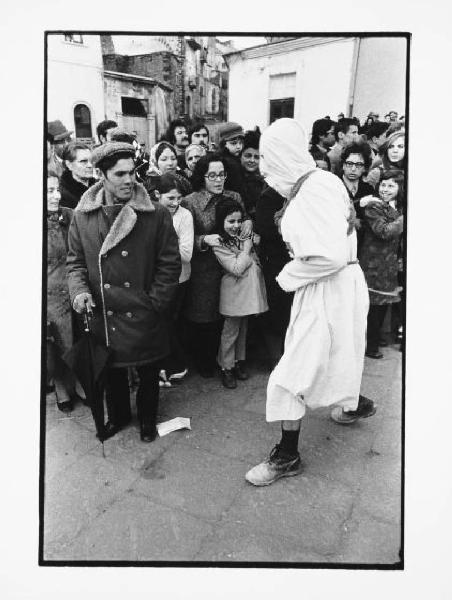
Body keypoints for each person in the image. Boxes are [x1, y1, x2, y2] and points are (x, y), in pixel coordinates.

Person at [245, 119, 375, 487]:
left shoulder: (310, 192)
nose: (267, 169)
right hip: (344, 284)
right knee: (341, 351)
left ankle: (287, 455)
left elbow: (327, 257)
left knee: (290, 373)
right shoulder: (323, 180)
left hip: (327, 286)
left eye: (269, 158)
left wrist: (286, 277)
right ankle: (354, 404)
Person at [66, 142, 181, 442]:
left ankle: (146, 420)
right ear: (100, 174)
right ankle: (118, 416)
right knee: (112, 372)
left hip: (143, 311)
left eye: (131, 172)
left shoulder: (155, 214)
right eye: (119, 174)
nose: (129, 180)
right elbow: (75, 263)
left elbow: (170, 265)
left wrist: (155, 302)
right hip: (105, 312)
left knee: (147, 373)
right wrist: (79, 293)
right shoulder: (82, 215)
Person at [182, 153, 252, 377]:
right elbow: (180, 239)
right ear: (202, 177)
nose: (218, 180)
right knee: (205, 317)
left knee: (233, 317)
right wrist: (203, 240)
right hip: (205, 269)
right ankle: (205, 361)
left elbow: (244, 217)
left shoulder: (234, 196)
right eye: (212, 175)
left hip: (233, 265)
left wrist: (249, 220)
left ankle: (230, 362)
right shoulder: (191, 201)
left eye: (221, 174)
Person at [213, 199, 268, 389]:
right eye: (230, 221)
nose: (235, 226)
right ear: (221, 222)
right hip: (234, 293)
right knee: (230, 332)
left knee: (243, 328)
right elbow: (235, 268)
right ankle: (225, 366)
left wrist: (249, 228)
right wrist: (247, 246)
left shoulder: (243, 233)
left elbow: (258, 241)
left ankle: (239, 361)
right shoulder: (219, 243)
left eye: (238, 221)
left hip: (248, 290)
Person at [359, 170, 404, 359]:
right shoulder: (373, 206)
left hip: (389, 264)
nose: (385, 189)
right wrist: (404, 219)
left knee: (383, 304)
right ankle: (371, 346)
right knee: (374, 306)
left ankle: (376, 339)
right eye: (383, 185)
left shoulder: (397, 207)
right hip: (373, 263)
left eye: (391, 185)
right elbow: (383, 231)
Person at [154, 173, 194, 385]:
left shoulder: (184, 215)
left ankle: (174, 365)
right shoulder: (151, 212)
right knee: (160, 323)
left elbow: (186, 255)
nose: (176, 203)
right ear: (158, 195)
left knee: (170, 323)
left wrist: (160, 248)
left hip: (179, 278)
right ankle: (163, 366)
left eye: (179, 198)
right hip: (157, 279)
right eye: (170, 198)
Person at [47, 170, 77, 412]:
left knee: (80, 338)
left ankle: (78, 381)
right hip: (49, 294)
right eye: (49, 191)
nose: (56, 196)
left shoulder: (69, 216)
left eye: (57, 189)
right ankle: (60, 385)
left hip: (75, 286)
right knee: (55, 341)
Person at [339, 141, 374, 249]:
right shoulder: (334, 185)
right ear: (343, 165)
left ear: (364, 168)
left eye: (358, 165)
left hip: (361, 244)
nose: (353, 169)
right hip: (339, 241)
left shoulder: (368, 189)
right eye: (349, 164)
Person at [59, 142, 96, 209]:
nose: (90, 165)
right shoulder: (62, 195)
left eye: (91, 161)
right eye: (83, 161)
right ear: (69, 164)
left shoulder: (100, 187)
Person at [240, 129, 265, 222]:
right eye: (248, 155)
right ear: (240, 155)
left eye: (256, 157)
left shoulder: (265, 181)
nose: (252, 160)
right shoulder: (235, 179)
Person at [218, 121, 246, 195]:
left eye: (241, 143)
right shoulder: (229, 163)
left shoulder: (238, 159)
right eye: (233, 143)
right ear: (223, 144)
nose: (238, 146)